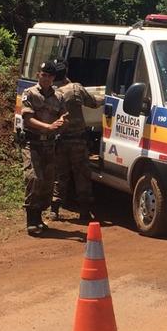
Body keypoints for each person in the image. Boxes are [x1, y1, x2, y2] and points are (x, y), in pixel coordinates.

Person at [50, 59, 104, 223]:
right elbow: (94, 103)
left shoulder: (51, 93)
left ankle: (54, 209)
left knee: (60, 175)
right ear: (66, 71)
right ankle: (84, 212)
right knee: (82, 176)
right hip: (78, 141)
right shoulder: (75, 88)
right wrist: (107, 98)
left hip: (60, 141)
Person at [19, 61, 67, 236]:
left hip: (50, 145)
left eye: (49, 76)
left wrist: (62, 122)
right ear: (38, 75)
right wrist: (47, 127)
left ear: (53, 78)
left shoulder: (59, 97)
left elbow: (63, 115)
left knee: (47, 182)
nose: (45, 78)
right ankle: (31, 221)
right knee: (33, 178)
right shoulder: (29, 93)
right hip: (32, 143)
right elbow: (27, 118)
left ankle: (39, 218)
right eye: (43, 75)